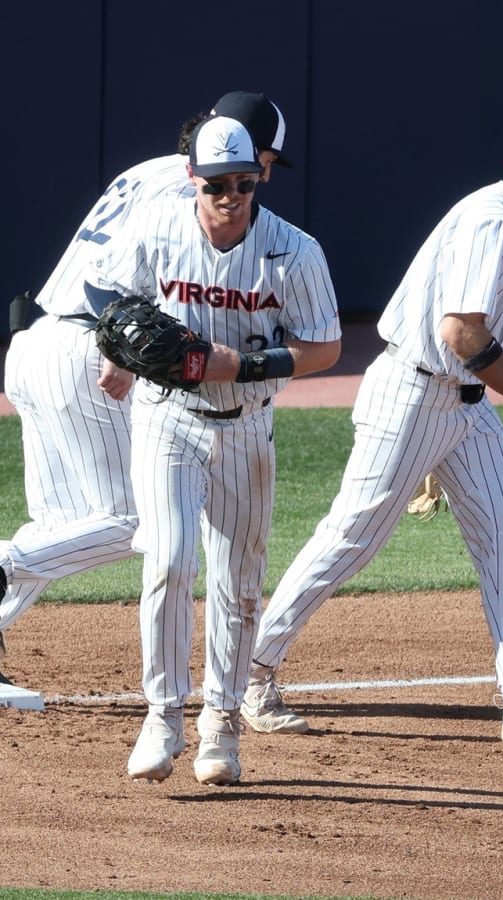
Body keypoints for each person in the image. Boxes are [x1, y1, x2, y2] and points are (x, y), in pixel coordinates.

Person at [240, 99, 503, 747]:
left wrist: (442, 450)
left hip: (457, 407)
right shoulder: (493, 219)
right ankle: (249, 672)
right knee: (349, 541)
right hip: (414, 396)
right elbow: (461, 331)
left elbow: (465, 344)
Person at [0, 91, 293, 690]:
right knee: (136, 520)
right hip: (91, 349)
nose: (262, 175)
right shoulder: (190, 197)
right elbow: (131, 284)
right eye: (266, 159)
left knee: (59, 527)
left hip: (33, 344)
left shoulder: (150, 170)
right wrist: (126, 354)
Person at [85, 115, 341, 785]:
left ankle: (221, 724)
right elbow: (106, 293)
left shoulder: (294, 251)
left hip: (248, 425)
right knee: (169, 559)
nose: (233, 195)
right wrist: (114, 349)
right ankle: (163, 715)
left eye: (245, 182)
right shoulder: (159, 224)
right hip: (166, 416)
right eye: (218, 184)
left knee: (238, 583)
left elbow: (325, 348)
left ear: (258, 177)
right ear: (193, 177)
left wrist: (245, 368)